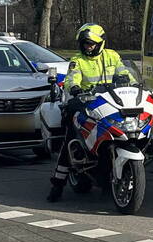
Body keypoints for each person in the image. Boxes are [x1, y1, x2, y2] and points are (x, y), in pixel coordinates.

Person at [47, 23, 131, 202]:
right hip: (84, 102)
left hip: (109, 102)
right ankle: (57, 184)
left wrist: (128, 80)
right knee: (71, 139)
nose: (88, 47)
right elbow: (71, 78)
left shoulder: (112, 56)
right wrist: (75, 88)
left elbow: (124, 72)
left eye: (91, 43)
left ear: (100, 42)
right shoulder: (78, 60)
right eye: (85, 43)